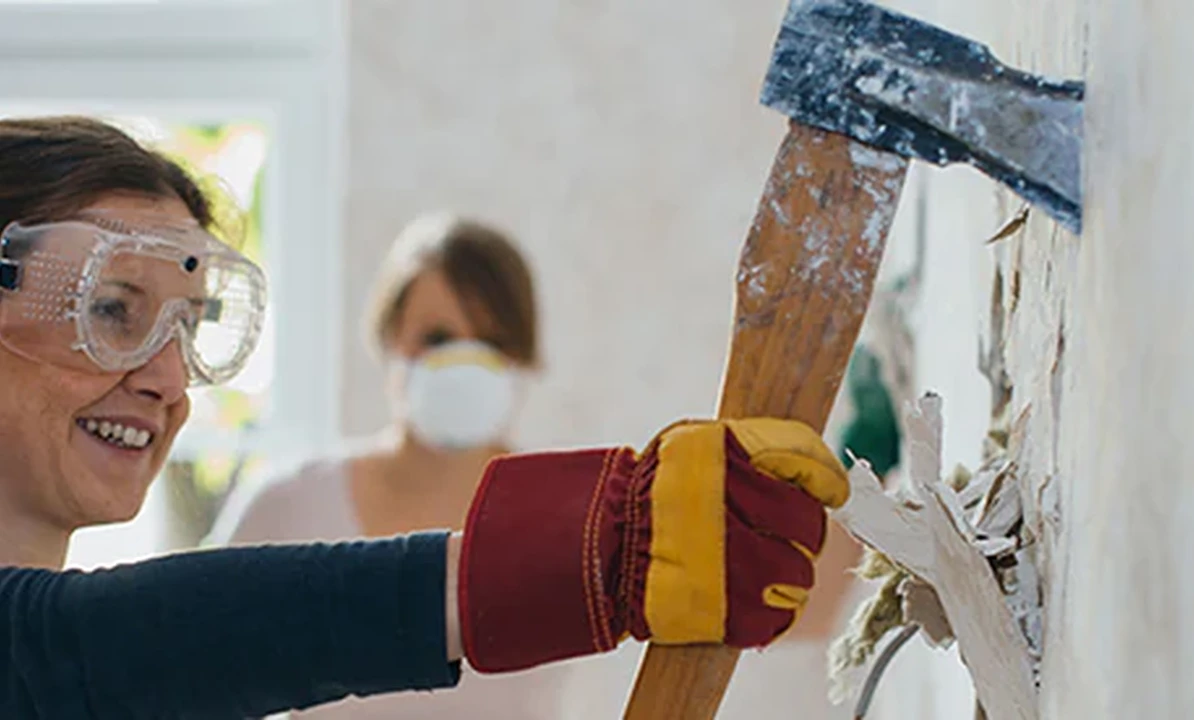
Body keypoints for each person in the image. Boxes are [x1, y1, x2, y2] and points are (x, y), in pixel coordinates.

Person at [0, 116, 852, 719]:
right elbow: (130, 644)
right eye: (113, 310)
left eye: (187, 326)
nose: (168, 377)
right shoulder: (73, 653)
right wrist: (597, 547)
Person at [209, 212, 575, 717]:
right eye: (439, 338)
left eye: (489, 341)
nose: (464, 364)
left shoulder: (569, 527)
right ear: (388, 340)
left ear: (522, 358)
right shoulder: (286, 509)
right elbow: (200, 683)